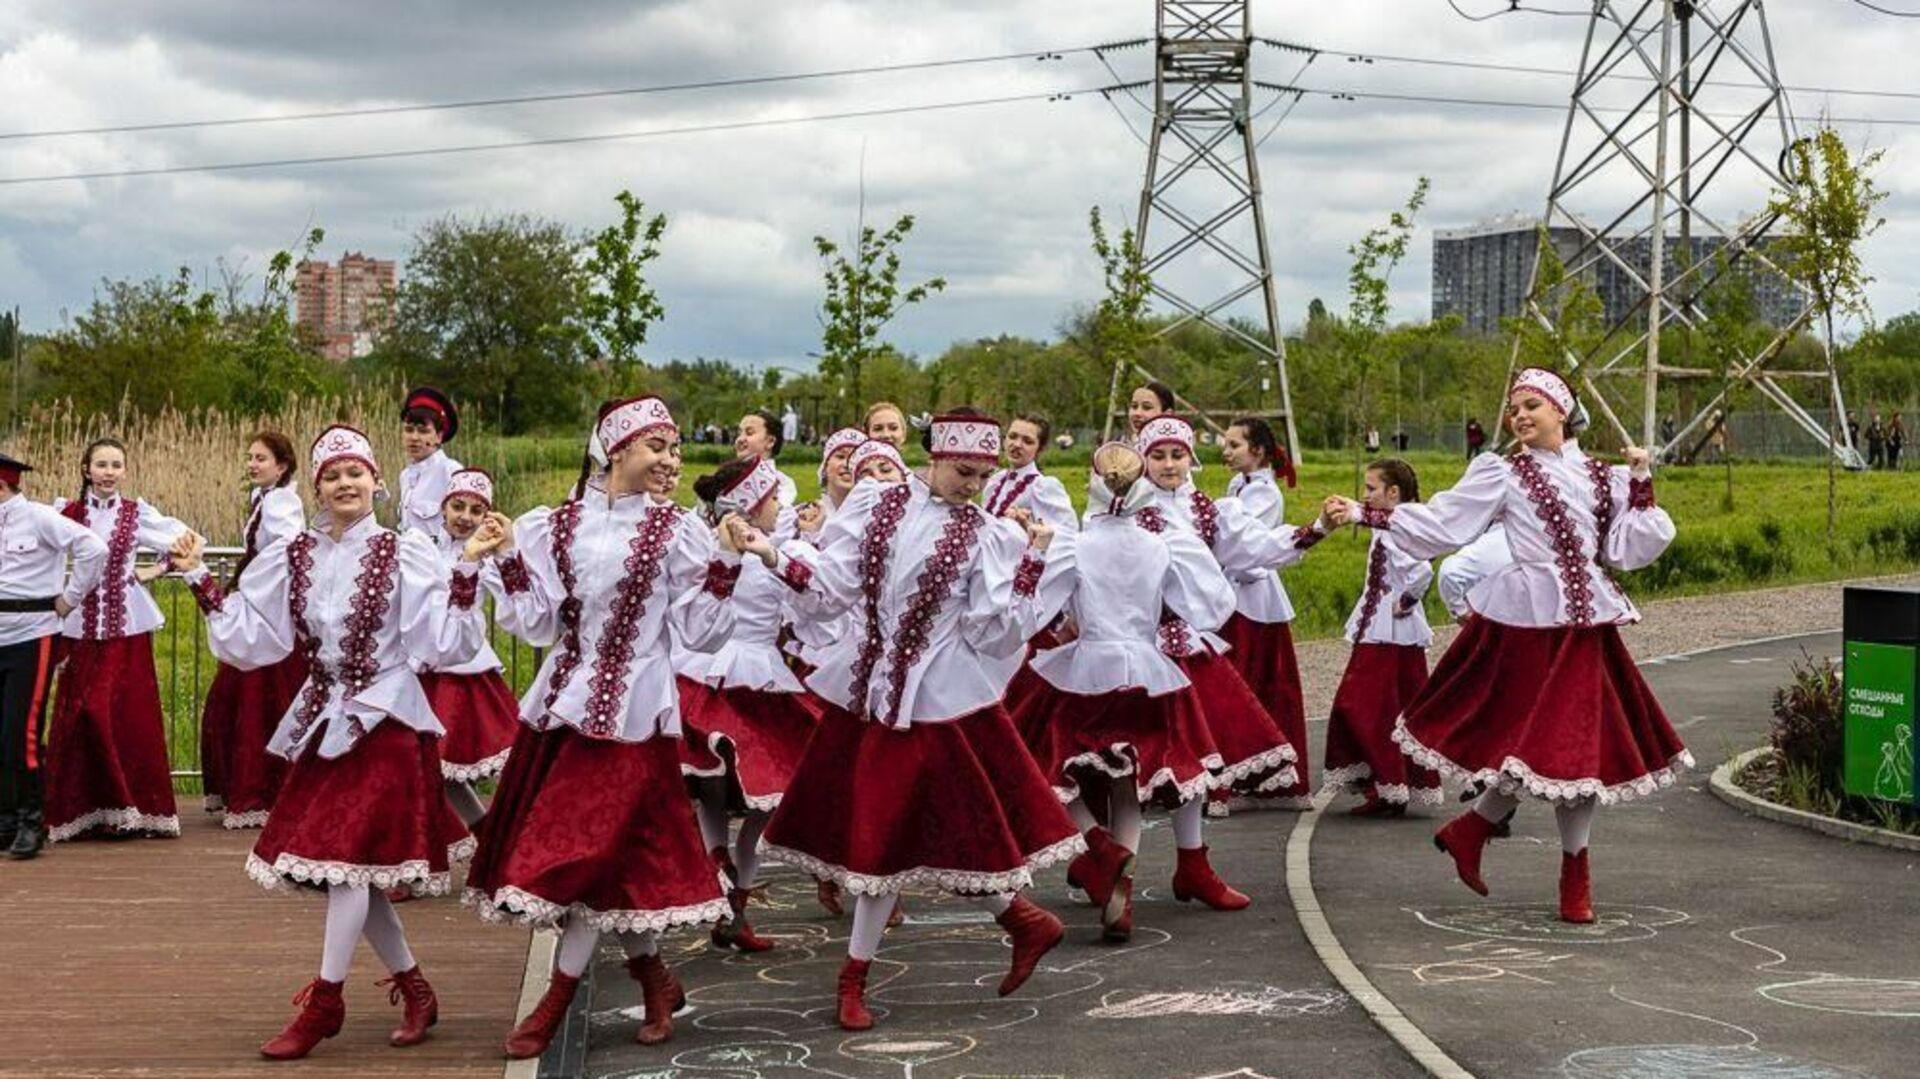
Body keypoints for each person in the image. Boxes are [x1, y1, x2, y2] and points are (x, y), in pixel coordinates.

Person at [176, 424, 501, 1059]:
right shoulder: (297, 555)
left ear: (376, 480)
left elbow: (442, 643)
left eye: (356, 472)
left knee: (346, 865)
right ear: (318, 486)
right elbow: (253, 638)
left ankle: (326, 1000)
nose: (345, 483)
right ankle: (415, 988)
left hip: (384, 719)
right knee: (349, 871)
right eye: (332, 474)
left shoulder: (404, 551)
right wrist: (199, 580)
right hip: (325, 721)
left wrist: (463, 575)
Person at [756, 411, 1081, 1032]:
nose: (974, 485)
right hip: (871, 695)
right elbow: (833, 589)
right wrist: (774, 553)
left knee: (891, 842)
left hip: (935, 703)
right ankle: (1023, 920)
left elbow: (994, 630)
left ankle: (854, 978)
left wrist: (1030, 566)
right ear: (932, 456)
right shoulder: (878, 503)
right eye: (964, 471)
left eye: (984, 475)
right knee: (920, 836)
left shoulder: (986, 533)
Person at [1324, 368, 1685, 924]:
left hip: (1586, 626)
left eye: (1532, 405)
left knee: (1573, 753)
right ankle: (1515, 847)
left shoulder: (1598, 475)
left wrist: (1640, 482)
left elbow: (1625, 550)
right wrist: (1368, 513)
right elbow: (1446, 524)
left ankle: (1526, 851)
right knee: (1548, 749)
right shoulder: (1503, 473)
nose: (1519, 416)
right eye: (1514, 407)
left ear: (1561, 412)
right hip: (1528, 625)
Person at [467, 396, 744, 1056]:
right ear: (617, 449)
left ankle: (556, 1000)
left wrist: (727, 565)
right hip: (565, 708)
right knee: (609, 861)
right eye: (657, 446)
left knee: (588, 855)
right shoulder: (553, 524)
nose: (671, 459)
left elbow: (700, 630)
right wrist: (506, 557)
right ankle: (653, 978)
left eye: (676, 447)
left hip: (636, 719)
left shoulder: (677, 530)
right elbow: (537, 622)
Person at [1015, 442, 1281, 941]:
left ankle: (1099, 846)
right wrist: (1166, 619)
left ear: (1093, 483)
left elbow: (1035, 613)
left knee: (1049, 768)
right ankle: (1123, 887)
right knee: (1128, 783)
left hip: (1087, 667)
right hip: (1147, 666)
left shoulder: (1073, 543)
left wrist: (1063, 610)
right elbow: (1214, 603)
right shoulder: (1161, 542)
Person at [681, 456, 824, 954]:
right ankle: (732, 895)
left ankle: (722, 878)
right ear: (756, 504)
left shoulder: (708, 543)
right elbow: (813, 618)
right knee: (771, 794)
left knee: (712, 790)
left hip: (702, 673)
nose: (781, 506)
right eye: (774, 499)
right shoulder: (771, 552)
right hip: (755, 678)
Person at [46, 438, 198, 844]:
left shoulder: (135, 515)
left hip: (125, 629)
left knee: (120, 715)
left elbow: (190, 541)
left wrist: (155, 569)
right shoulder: (68, 513)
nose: (109, 471)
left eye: (116, 465)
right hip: (80, 627)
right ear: (86, 469)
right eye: (101, 464)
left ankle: (130, 809)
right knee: (80, 716)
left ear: (125, 472)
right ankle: (85, 811)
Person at [1319, 458, 1441, 815]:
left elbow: (1420, 570)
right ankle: (1389, 785)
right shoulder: (1387, 526)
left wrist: (1406, 599)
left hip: (1389, 631)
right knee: (1392, 709)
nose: (1365, 495)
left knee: (1361, 706)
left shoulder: (1397, 528)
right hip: (1382, 627)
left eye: (1371, 488)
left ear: (1393, 492)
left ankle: (1389, 786)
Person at [200, 431, 309, 829]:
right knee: (236, 696)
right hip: (259, 602)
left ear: (281, 466)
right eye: (250, 457)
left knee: (260, 697)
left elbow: (286, 549)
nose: (252, 464)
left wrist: (250, 586)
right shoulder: (264, 498)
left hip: (270, 610)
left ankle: (266, 788)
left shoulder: (283, 502)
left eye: (260, 458)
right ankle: (248, 786)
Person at [0, 454, 106, 860]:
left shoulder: (41, 518)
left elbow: (93, 549)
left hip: (31, 634)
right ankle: (5, 819)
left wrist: (69, 598)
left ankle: (31, 820)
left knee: (21, 733)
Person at [1212, 417, 1314, 809]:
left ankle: (1256, 779)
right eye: (1227, 443)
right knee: (1236, 687)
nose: (1227, 450)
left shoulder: (1265, 493)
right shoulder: (1239, 486)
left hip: (1253, 598)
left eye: (1235, 444)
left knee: (1254, 687)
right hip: (1232, 593)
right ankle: (1239, 776)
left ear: (1257, 451)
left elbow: (1246, 546)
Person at [417, 469, 521, 822]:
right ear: (443, 507)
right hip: (422, 668)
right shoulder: (420, 547)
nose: (465, 517)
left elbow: (516, 599)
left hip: (464, 672)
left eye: (476, 511)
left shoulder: (487, 559)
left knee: (450, 764)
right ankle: (482, 832)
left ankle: (504, 831)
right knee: (428, 768)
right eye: (458, 506)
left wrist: (503, 555)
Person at [983, 412, 1078, 533]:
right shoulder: (995, 480)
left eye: (1027, 441)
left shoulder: (1043, 486)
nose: (1017, 444)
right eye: (1012, 436)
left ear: (1040, 449)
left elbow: (1067, 532)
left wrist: (1028, 526)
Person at [397, 387, 462, 541]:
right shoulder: (405, 476)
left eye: (423, 431)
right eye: (408, 430)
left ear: (438, 437)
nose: (414, 437)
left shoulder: (451, 471)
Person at [795, 427, 866, 538]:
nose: (847, 464)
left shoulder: (875, 518)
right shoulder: (804, 515)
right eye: (841, 456)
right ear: (825, 466)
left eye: (856, 458)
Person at [1436, 525, 1512, 623]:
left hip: (1497, 622)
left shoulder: (1490, 541)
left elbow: (1449, 573)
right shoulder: (1529, 536)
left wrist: (1460, 611)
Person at [735, 408, 799, 507]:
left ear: (770, 441)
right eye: (739, 433)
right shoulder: (726, 478)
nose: (740, 439)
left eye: (749, 433)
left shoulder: (782, 485)